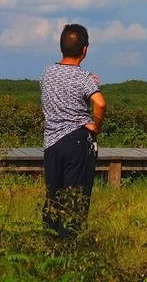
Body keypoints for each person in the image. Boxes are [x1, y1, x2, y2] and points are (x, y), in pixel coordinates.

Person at [40, 23, 107, 240]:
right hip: (77, 142)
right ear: (84, 50)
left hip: (52, 144)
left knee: (54, 198)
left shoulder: (47, 73)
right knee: (75, 199)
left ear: (62, 46)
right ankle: (69, 250)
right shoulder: (84, 77)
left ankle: (48, 246)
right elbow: (100, 104)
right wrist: (96, 126)